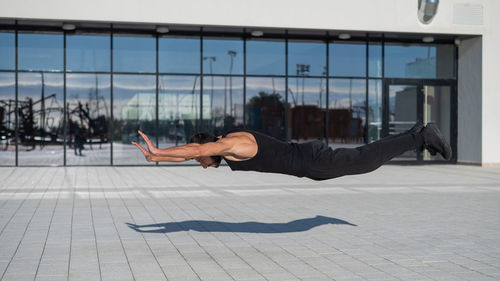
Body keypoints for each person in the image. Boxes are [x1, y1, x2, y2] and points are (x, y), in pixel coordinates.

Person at [132, 122, 452, 181]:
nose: (202, 163)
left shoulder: (229, 144)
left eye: (201, 161)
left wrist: (158, 154)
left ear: (209, 145)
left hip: (312, 162)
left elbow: (196, 150)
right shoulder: (232, 140)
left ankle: (420, 137)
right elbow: (198, 149)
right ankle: (417, 137)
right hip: (308, 162)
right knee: (363, 159)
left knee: (364, 160)